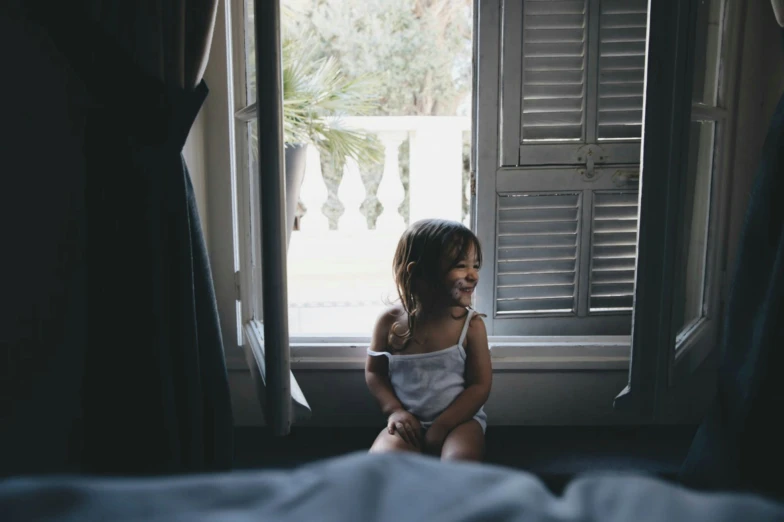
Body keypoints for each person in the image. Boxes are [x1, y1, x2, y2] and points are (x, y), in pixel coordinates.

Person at [365, 219, 492, 461]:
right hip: (406, 423)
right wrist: (395, 412)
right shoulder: (388, 323)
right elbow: (375, 373)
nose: (473, 275)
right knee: (380, 464)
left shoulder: (471, 326)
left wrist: (442, 426)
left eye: (475, 265)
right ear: (418, 273)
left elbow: (479, 386)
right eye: (460, 265)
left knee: (460, 461)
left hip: (459, 421)